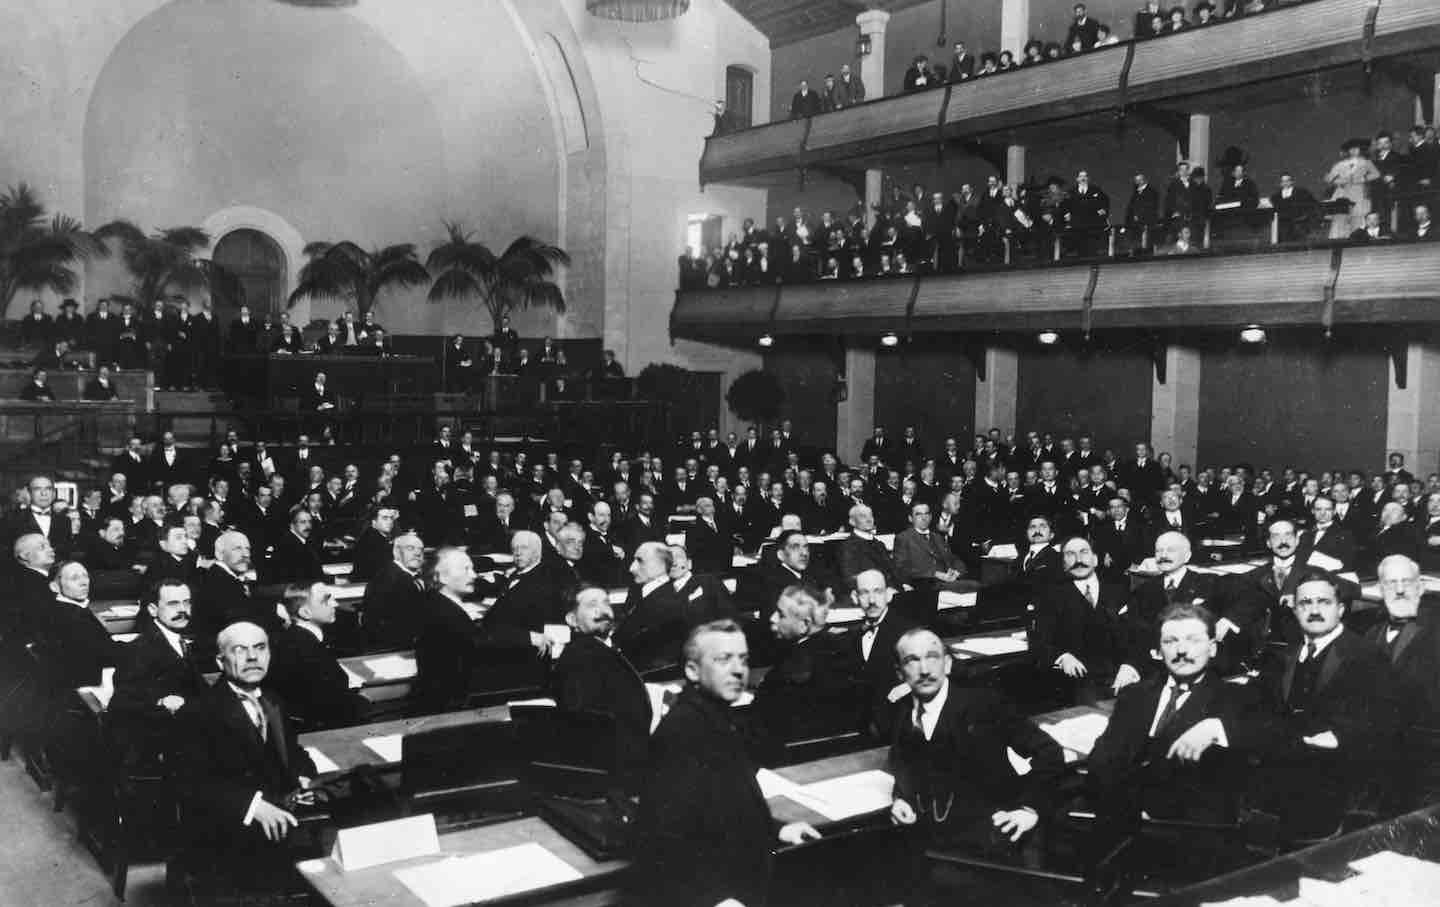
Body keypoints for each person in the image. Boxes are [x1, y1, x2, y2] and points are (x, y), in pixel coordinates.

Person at [634, 619, 820, 907]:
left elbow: (732, 810)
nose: (738, 669)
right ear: (692, 670)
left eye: (744, 660)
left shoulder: (720, 718)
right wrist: (716, 899)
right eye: (723, 659)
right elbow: (663, 842)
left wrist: (777, 830)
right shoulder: (680, 733)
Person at [1086, 603, 1260, 887]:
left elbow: (1264, 741)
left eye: (1193, 640)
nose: (1182, 650)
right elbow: (1103, 760)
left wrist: (1216, 728)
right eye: (1171, 641)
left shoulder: (1235, 699)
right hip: (1125, 825)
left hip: (1191, 836)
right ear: (1157, 651)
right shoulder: (1135, 695)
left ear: (1213, 648)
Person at [888, 628, 1063, 867]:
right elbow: (900, 760)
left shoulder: (985, 705)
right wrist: (901, 798)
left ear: (947, 664)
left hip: (990, 847)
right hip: (932, 844)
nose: (925, 669)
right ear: (899, 672)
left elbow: (1049, 752)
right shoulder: (903, 714)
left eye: (932, 657)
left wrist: (1030, 809)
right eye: (912, 661)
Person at [1248, 571, 1394, 842]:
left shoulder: (1367, 656)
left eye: (1323, 602)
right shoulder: (1283, 655)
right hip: (1279, 776)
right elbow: (1255, 706)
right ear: (1294, 610)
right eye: (1305, 603)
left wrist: (1340, 737)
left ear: (1340, 609)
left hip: (1336, 782)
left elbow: (1383, 720)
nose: (1314, 610)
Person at [174, 620, 317, 888]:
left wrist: (303, 777)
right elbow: (191, 784)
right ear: (220, 661)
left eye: (260, 648)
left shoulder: (274, 700)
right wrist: (253, 807)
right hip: (226, 835)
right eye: (240, 650)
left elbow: (293, 752)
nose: (252, 657)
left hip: (282, 818)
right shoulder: (198, 713)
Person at [551, 585, 652, 793]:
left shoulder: (597, 649)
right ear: (572, 620)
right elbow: (586, 724)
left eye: (606, 602)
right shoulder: (580, 657)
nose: (603, 610)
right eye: (591, 605)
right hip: (618, 775)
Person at [1366, 555, 1440, 813]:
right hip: (1378, 764)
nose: (1399, 590)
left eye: (1407, 582)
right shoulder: (1371, 634)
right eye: (1390, 583)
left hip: (1427, 770)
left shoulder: (1436, 631)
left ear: (1421, 587)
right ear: (1379, 589)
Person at [757, 584, 865, 743]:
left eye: (781, 614)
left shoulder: (792, 668)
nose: (772, 618)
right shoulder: (844, 650)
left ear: (804, 625)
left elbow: (762, 716)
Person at [1032, 537, 1133, 705]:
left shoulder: (1118, 588)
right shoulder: (1050, 595)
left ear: (1095, 559)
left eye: (1084, 553)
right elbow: (1041, 640)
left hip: (1122, 673)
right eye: (1070, 554)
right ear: (1063, 563)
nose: (1078, 560)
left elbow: (1136, 634)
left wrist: (1131, 665)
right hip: (1078, 678)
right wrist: (1063, 657)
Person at [268, 582, 364, 730]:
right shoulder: (305, 647)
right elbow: (332, 704)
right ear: (305, 613)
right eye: (326, 600)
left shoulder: (298, 637)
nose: (335, 604)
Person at [1325, 138, 1382, 238]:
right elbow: (1328, 178)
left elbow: (1376, 174)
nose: (1354, 151)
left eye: (1356, 149)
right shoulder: (1339, 164)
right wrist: (1339, 182)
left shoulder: (1366, 162)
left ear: (1360, 150)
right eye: (1351, 149)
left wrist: (1363, 179)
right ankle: (1339, 240)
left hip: (1359, 192)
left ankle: (1357, 239)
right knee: (1341, 218)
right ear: (1348, 151)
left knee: (1359, 216)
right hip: (1343, 193)